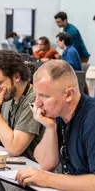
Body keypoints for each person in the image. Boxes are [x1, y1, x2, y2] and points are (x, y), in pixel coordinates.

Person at [16, 60, 95, 190]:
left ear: (69, 94)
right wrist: (50, 128)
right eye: (36, 95)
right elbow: (46, 164)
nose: (37, 103)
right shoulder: (59, 113)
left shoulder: (91, 119)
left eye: (44, 96)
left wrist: (46, 179)